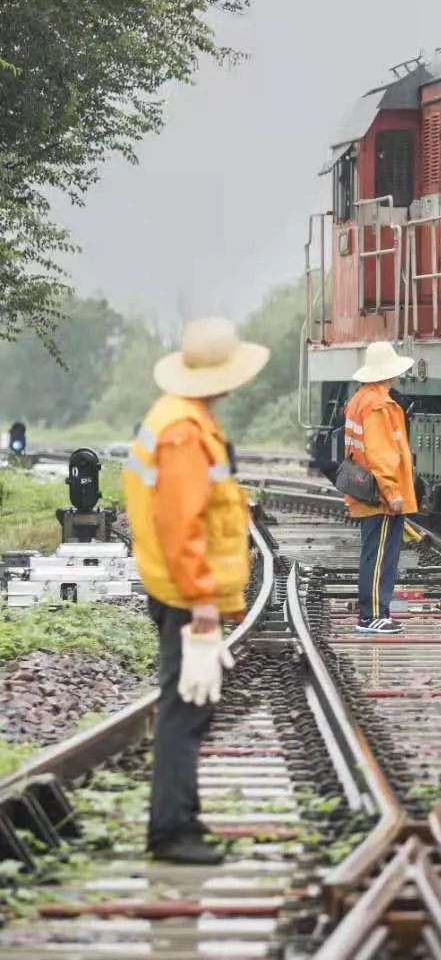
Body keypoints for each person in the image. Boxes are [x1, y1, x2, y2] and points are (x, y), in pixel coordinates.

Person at [124, 316, 269, 864]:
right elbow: (181, 526)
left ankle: (183, 818)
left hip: (178, 588)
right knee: (186, 710)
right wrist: (204, 601)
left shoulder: (177, 418)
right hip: (186, 594)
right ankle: (171, 832)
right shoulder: (184, 432)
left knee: (188, 707)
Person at [343, 340, 418, 636]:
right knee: (379, 555)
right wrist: (392, 493)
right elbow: (380, 454)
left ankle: (376, 612)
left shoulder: (360, 399)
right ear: (388, 373)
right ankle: (372, 614)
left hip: (367, 490)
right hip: (380, 495)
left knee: (376, 552)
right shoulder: (378, 405)